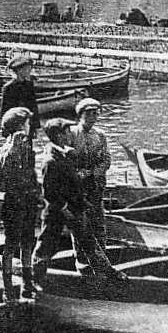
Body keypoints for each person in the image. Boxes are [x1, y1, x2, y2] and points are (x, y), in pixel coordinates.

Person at [32, 119, 121, 287]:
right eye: (66, 132)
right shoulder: (50, 161)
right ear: (58, 136)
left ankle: (107, 272)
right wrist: (64, 209)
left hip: (74, 208)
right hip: (57, 212)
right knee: (46, 247)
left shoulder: (66, 154)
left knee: (89, 241)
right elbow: (49, 193)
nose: (69, 134)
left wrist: (82, 202)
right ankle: (33, 282)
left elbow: (73, 185)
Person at [0, 108, 42, 299]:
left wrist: (38, 192)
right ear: (20, 125)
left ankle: (27, 282)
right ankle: (8, 287)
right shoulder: (10, 147)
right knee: (11, 243)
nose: (29, 128)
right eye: (27, 123)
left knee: (27, 241)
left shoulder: (26, 146)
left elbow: (31, 173)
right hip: (14, 201)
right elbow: (3, 172)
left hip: (27, 200)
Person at [70, 98, 112, 245]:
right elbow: (64, 162)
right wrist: (77, 175)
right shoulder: (72, 134)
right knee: (80, 227)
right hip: (78, 189)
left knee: (99, 226)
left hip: (95, 186)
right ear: (80, 115)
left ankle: (101, 260)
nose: (92, 117)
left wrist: (94, 173)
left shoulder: (100, 135)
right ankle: (82, 264)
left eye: (95, 114)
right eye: (88, 114)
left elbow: (107, 160)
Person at [0, 53, 41, 128]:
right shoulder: (8, 87)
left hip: (28, 123)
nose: (29, 71)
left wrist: (36, 126)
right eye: (27, 68)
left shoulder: (29, 85)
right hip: (14, 124)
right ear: (19, 70)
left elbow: (33, 106)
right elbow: (5, 111)